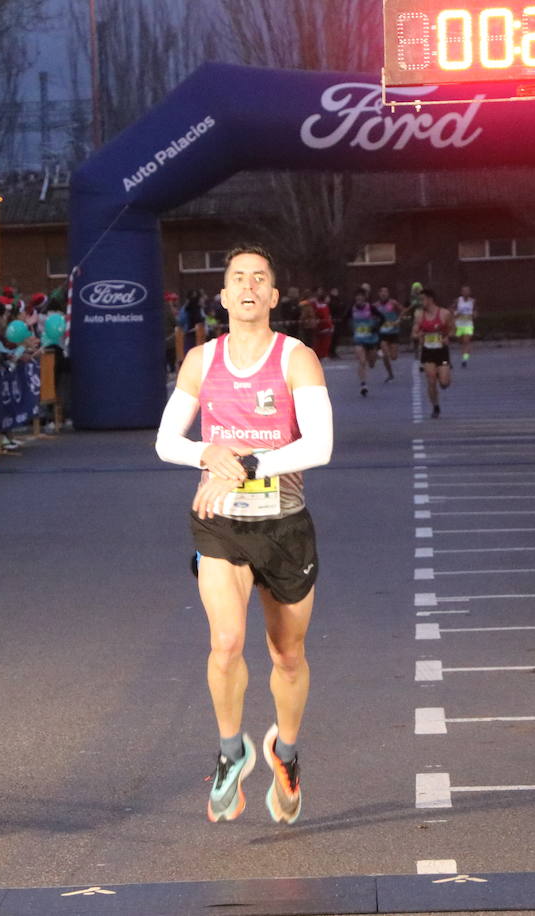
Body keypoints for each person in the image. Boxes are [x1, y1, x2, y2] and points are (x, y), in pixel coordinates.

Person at [155, 244, 333, 825]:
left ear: (273, 297)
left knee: (287, 654)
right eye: (239, 278)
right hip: (220, 524)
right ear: (226, 296)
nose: (250, 285)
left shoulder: (296, 358)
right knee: (226, 643)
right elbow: (165, 443)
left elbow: (320, 447)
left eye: (261, 277)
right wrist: (208, 450)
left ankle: (286, 753)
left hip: (284, 527)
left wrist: (249, 462)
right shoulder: (202, 361)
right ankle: (232, 752)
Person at [413, 289, 454, 418]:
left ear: (430, 299)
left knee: (444, 383)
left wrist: (448, 337)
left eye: (422, 299)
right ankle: (435, 407)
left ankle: (443, 374)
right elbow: (413, 333)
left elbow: (453, 329)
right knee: (430, 380)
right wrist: (418, 335)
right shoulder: (419, 315)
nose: (421, 302)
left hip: (441, 352)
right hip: (427, 352)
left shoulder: (444, 313)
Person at [350, 289, 382, 397]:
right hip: (358, 339)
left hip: (371, 339)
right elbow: (343, 320)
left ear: (364, 298)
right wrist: (351, 329)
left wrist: (375, 327)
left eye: (361, 297)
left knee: (372, 363)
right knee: (362, 361)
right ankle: (363, 385)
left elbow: (382, 318)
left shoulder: (371, 308)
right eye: (357, 297)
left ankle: (374, 356)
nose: (359, 299)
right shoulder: (351, 309)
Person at [373, 286, 400, 381]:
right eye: (382, 292)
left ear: (388, 293)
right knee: (385, 354)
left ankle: (389, 368)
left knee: (394, 357)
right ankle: (390, 373)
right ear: (379, 294)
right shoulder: (375, 305)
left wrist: (398, 320)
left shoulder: (393, 303)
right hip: (382, 333)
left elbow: (403, 312)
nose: (384, 294)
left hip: (393, 332)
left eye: (385, 292)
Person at [453, 285, 476, 366]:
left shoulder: (472, 301)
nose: (466, 292)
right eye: (464, 291)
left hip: (468, 324)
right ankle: (464, 355)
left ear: (470, 292)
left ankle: (465, 359)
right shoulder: (458, 300)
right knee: (461, 341)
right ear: (461, 292)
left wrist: (473, 315)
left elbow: (475, 311)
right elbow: (451, 309)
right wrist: (456, 314)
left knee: (466, 341)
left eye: (467, 291)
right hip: (459, 324)